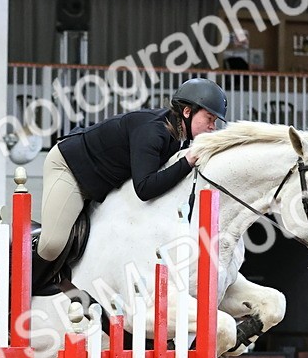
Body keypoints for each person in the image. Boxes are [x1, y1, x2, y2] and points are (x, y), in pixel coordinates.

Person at [37, 78, 227, 262]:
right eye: (209, 118)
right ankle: (23, 253)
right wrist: (187, 161)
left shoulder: (180, 137)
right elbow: (144, 188)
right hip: (71, 168)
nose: (213, 126)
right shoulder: (153, 131)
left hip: (102, 182)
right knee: (51, 246)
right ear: (187, 111)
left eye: (215, 121)